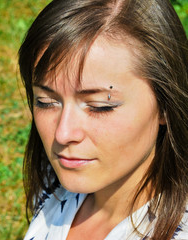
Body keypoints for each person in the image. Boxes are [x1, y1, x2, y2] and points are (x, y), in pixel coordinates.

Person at [18, 0, 188, 239]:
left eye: (100, 107)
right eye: (46, 101)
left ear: (165, 106)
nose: (62, 134)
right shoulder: (54, 181)